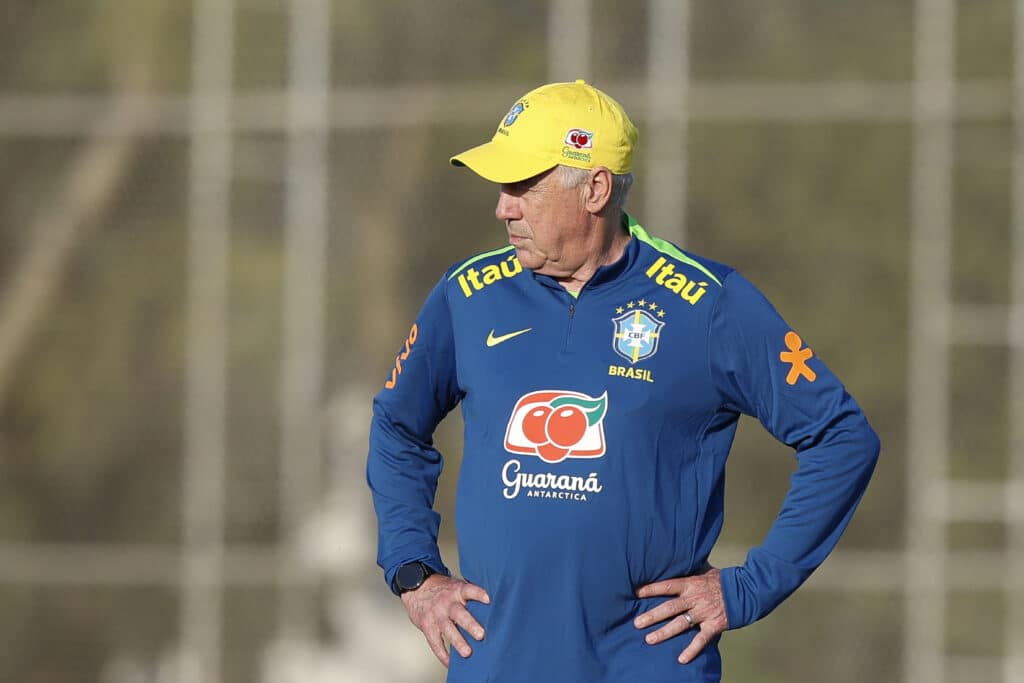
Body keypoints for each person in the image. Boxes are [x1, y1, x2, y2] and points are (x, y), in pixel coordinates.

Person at [366, 79, 880, 682]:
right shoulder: (467, 295)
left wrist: (750, 587)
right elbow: (396, 426)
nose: (504, 206)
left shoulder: (708, 304)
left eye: (523, 185)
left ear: (595, 188)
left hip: (648, 666)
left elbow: (841, 437)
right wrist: (414, 573)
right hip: (496, 664)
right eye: (502, 188)